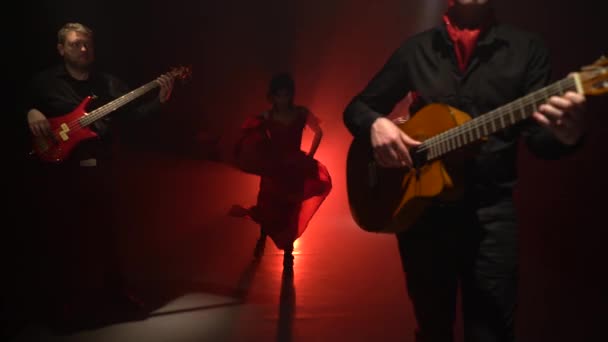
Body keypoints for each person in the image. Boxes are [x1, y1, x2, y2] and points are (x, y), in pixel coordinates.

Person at [343, 1, 586, 341]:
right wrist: (376, 125)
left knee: (491, 333)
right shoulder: (417, 50)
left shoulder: (527, 50)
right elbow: (357, 108)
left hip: (490, 215)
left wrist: (567, 136)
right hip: (422, 217)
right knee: (432, 329)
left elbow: (539, 141)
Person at [24, 22, 175, 327]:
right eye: (76, 44)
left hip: (100, 168)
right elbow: (17, 102)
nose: (83, 49)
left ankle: (115, 294)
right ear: (61, 48)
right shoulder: (44, 83)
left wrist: (159, 100)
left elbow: (132, 116)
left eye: (87, 44)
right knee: (63, 240)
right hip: (61, 173)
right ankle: (62, 305)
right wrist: (29, 111)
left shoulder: (108, 84)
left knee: (108, 237)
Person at [229, 72, 332, 269]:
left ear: (291, 95)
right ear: (273, 96)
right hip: (275, 168)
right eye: (279, 95)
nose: (283, 99)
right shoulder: (268, 116)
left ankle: (288, 252)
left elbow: (318, 131)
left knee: (291, 209)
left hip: (294, 168)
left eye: (286, 95)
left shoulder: (300, 112)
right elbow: (253, 136)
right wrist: (258, 153)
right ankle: (262, 238)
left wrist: (310, 156)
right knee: (268, 206)